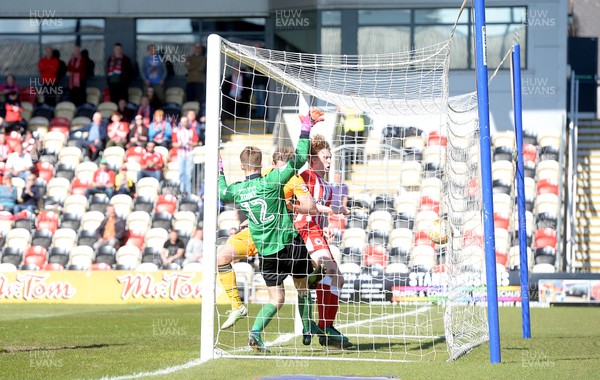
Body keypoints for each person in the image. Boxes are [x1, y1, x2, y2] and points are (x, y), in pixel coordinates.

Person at [218, 109, 322, 352]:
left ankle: (255, 331)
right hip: (289, 244)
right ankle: (307, 328)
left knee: (276, 299)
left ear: (241, 166)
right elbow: (298, 159)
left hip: (266, 253)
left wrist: (220, 170)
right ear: (262, 164)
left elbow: (221, 192)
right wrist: (306, 129)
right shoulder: (271, 180)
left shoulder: (236, 191)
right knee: (303, 287)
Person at [294, 134, 351, 348]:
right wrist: (329, 210)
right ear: (313, 159)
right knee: (326, 268)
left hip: (317, 231)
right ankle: (309, 283)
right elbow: (297, 204)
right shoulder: (305, 177)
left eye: (330, 157)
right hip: (304, 229)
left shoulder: (327, 186)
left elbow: (322, 214)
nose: (329, 161)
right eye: (325, 157)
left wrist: (327, 226)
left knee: (338, 279)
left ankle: (326, 327)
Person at [172, 116, 199, 194]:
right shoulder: (177, 131)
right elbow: (174, 143)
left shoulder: (191, 131)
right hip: (180, 154)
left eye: (185, 121)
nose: (183, 123)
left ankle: (188, 192)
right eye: (182, 122)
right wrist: (179, 145)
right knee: (181, 173)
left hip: (189, 154)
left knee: (188, 174)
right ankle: (181, 191)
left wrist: (189, 143)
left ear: (187, 122)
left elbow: (196, 142)